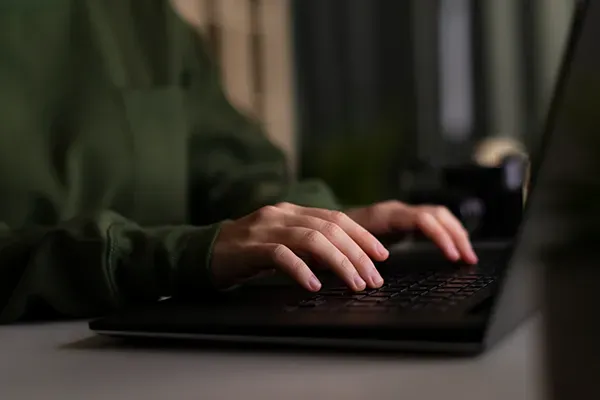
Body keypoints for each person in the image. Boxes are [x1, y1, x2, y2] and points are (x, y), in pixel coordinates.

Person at [0, 0, 477, 324]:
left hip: (157, 351)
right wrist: (185, 255)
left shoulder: (145, 21)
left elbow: (232, 166)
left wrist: (319, 222)